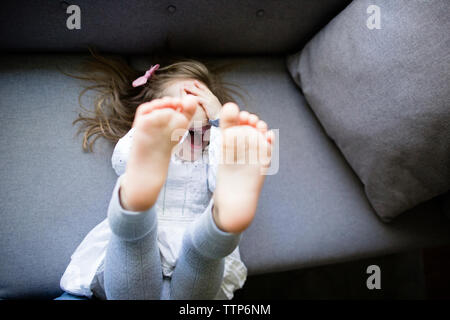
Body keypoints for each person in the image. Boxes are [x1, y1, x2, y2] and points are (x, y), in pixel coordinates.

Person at [58, 54, 274, 300]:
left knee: (203, 255)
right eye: (182, 101)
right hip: (147, 235)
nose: (193, 106)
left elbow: (217, 180)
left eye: (203, 101)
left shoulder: (210, 150)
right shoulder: (149, 142)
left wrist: (218, 125)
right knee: (135, 241)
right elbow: (123, 161)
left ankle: (220, 222)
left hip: (192, 234)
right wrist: (153, 135)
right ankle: (138, 205)